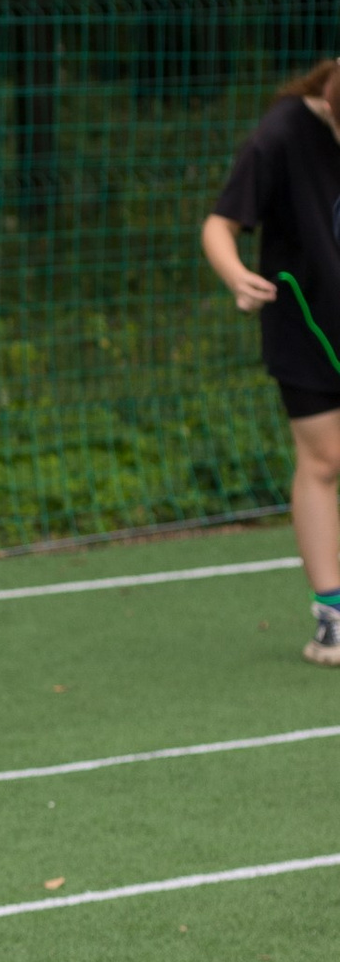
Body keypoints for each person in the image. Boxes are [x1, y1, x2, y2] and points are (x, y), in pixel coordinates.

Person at [200, 62, 340, 662]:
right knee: (324, 458)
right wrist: (236, 276)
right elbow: (219, 224)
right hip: (304, 321)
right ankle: (332, 613)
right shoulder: (281, 134)